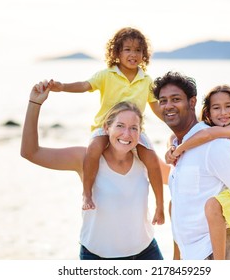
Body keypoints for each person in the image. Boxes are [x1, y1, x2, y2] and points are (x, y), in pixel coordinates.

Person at [21, 81, 167, 260]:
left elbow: (178, 175)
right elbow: (30, 152)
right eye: (120, 126)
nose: (127, 134)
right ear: (106, 128)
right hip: (97, 257)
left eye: (134, 128)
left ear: (140, 133)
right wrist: (35, 103)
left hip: (146, 253)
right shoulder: (85, 158)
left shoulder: (145, 159)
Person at [47, 27, 164, 224]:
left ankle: (160, 206)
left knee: (152, 158)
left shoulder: (146, 80)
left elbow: (156, 108)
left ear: (144, 54)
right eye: (127, 49)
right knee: (93, 149)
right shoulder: (106, 75)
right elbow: (85, 86)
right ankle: (86, 194)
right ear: (117, 52)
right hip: (105, 127)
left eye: (137, 50)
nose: (133, 54)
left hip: (134, 130)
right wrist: (62, 87)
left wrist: (181, 126)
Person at [152, 71, 230, 260]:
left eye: (175, 99)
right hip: (194, 256)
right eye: (163, 101)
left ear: (192, 102)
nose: (168, 105)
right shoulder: (179, 147)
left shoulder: (216, 144)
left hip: (220, 251)